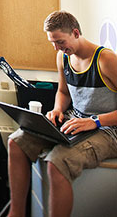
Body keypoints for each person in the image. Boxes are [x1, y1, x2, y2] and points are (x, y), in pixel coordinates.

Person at [7, 11, 117, 217]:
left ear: (75, 32)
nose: (57, 48)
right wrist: (58, 109)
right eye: (53, 43)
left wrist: (95, 121)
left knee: (58, 162)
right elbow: (64, 92)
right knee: (16, 142)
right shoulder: (63, 56)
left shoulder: (106, 59)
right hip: (76, 119)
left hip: (109, 129)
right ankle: (16, 213)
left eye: (60, 41)